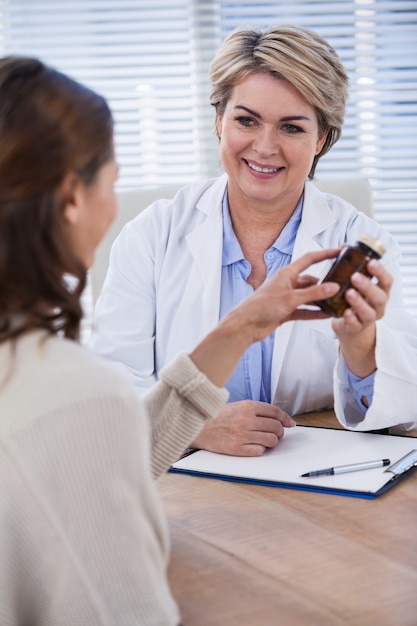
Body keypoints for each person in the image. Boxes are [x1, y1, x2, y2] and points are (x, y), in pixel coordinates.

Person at [0, 55, 343, 625]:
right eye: (111, 178)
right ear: (71, 199)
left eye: (291, 126)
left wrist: (238, 329)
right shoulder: (75, 392)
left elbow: (120, 447)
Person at [90, 24, 417, 457]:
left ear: (321, 139)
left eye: (291, 128)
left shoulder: (356, 243)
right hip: (186, 483)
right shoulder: (152, 235)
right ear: (219, 122)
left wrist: (360, 345)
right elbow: (108, 393)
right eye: (246, 120)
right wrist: (192, 425)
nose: (265, 147)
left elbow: (404, 411)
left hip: (312, 481)